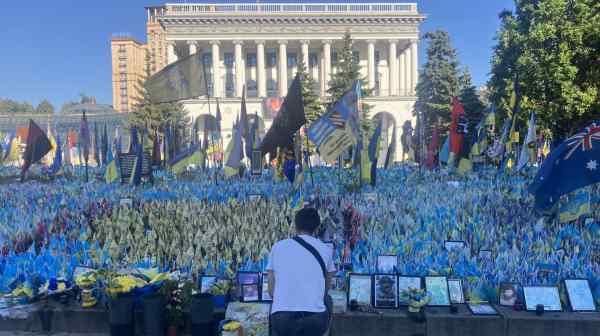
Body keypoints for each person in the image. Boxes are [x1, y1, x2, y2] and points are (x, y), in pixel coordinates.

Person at [267, 207, 335, 336]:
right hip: (315, 320)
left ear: (295, 226)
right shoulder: (325, 249)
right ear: (316, 228)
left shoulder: (278, 247)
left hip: (283, 320)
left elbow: (271, 291)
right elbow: (326, 289)